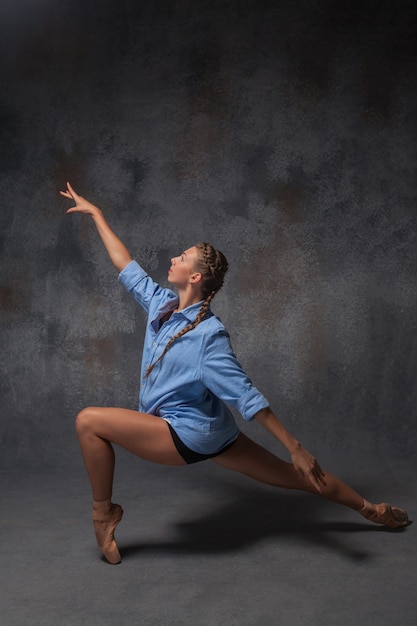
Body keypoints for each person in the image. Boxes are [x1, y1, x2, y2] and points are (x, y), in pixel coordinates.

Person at [61, 182, 410, 564]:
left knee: (88, 421)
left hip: (187, 435)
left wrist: (294, 446)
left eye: (182, 258)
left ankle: (103, 514)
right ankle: (371, 509)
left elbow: (247, 396)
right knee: (297, 477)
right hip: (217, 433)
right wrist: (97, 214)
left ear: (195, 278)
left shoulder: (209, 336)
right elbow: (124, 263)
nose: (174, 259)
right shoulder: (162, 304)